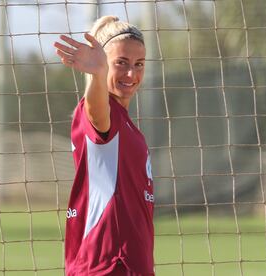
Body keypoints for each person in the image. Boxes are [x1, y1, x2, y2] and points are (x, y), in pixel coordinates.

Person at [54, 16, 155, 275]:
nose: (131, 73)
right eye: (121, 63)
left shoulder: (129, 126)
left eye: (139, 64)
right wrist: (98, 75)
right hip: (108, 261)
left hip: (130, 261)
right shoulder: (100, 111)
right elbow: (96, 111)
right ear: (102, 63)